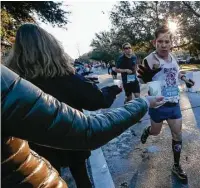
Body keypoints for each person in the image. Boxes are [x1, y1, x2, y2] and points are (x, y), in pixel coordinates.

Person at [1, 64, 165, 188]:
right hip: (66, 150)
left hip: (36, 156)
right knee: (80, 175)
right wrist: (142, 102)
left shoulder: (14, 76)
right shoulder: (61, 76)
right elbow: (91, 123)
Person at [4, 23, 123, 188]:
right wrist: (113, 90)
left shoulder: (13, 83)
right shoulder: (64, 76)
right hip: (71, 138)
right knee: (82, 178)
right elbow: (96, 100)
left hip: (35, 147)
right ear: (51, 47)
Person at [137, 25, 194, 182]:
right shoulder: (149, 59)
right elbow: (141, 78)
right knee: (156, 132)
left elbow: (177, 72)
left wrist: (185, 79)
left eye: (166, 41)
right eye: (160, 41)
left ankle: (176, 165)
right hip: (158, 104)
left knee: (177, 134)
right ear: (155, 42)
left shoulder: (172, 57)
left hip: (173, 103)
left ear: (171, 43)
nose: (163, 45)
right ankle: (148, 131)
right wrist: (146, 78)